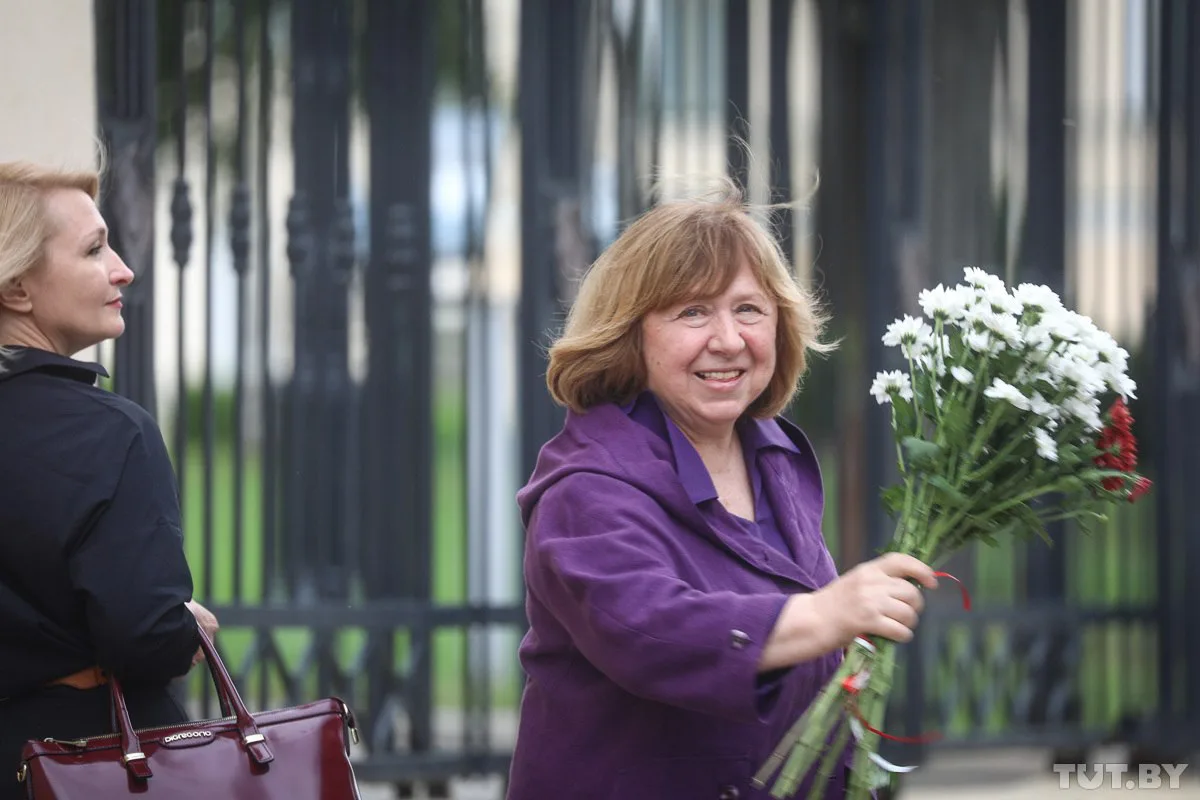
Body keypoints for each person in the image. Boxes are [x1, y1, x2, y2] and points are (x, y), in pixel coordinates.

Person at [506, 181, 939, 799]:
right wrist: (824, 613)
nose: (729, 340)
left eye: (749, 310)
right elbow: (647, 632)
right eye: (692, 312)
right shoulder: (586, 488)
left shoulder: (775, 457)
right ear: (630, 334)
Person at [0, 161, 219, 798]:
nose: (123, 270)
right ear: (16, 287)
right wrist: (186, 626)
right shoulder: (110, 433)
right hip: (90, 765)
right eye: (94, 249)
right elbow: (143, 635)